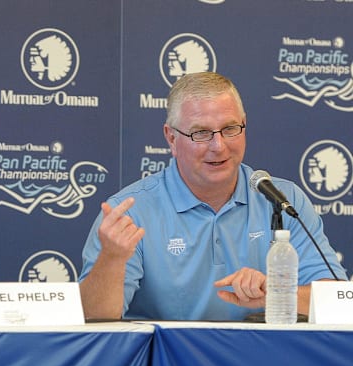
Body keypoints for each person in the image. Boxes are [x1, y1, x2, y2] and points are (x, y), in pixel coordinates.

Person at [79, 71, 346, 321]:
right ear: (171, 138)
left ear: (244, 126)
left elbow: (337, 301)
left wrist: (275, 292)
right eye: (201, 133)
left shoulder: (283, 200)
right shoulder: (131, 212)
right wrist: (111, 260)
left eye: (230, 129)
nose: (218, 146)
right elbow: (93, 319)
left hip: (262, 363)